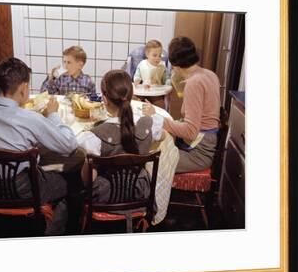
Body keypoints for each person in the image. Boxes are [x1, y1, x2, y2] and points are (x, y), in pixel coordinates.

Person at [0, 58, 79, 235]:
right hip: (25, 190)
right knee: (72, 179)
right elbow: (69, 145)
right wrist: (53, 115)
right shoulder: (29, 118)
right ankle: (53, 232)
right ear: (24, 88)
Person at [76, 70, 164, 203]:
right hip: (139, 192)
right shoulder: (149, 125)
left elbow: (87, 180)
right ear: (131, 95)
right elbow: (161, 136)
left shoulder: (93, 137)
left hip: (106, 196)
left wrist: (98, 126)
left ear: (104, 99)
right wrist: (152, 114)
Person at [142, 36, 221, 173]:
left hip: (198, 153)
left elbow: (190, 132)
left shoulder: (194, 83)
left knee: (147, 160)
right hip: (206, 143)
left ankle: (148, 194)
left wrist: (158, 118)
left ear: (174, 65)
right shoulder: (210, 74)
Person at [133, 39, 171, 108]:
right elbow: (137, 74)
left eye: (160, 55)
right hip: (144, 91)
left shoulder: (162, 66)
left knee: (160, 104)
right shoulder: (142, 64)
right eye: (154, 55)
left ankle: (157, 117)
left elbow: (166, 78)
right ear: (147, 54)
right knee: (135, 101)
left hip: (156, 92)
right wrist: (137, 80)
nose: (157, 58)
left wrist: (168, 83)